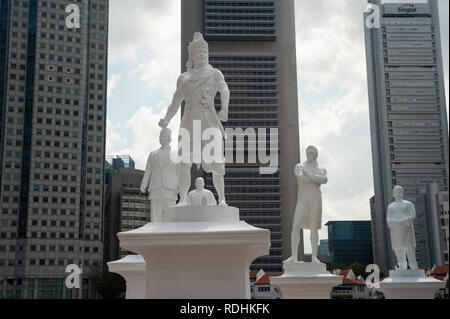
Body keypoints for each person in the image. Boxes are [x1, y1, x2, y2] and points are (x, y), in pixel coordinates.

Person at [158, 32, 230, 207]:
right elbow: (175, 102)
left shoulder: (215, 74)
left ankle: (221, 199)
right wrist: (167, 119)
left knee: (217, 164)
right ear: (192, 55)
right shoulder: (184, 78)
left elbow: (225, 90)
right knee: (185, 162)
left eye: (204, 52)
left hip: (209, 120)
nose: (202, 55)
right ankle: (182, 198)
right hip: (189, 120)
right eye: (198, 52)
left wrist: (224, 107)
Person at [286, 146, 328, 264]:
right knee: (295, 226)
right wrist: (315, 179)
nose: (309, 154)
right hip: (303, 200)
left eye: (312, 153)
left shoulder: (322, 169)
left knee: (314, 228)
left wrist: (308, 174)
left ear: (316, 154)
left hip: (315, 200)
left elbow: (323, 180)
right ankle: (294, 256)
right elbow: (301, 180)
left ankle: (314, 257)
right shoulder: (299, 166)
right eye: (307, 152)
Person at [141, 128, 179, 222]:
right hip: (155, 189)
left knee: (170, 218)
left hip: (170, 189)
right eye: (160, 136)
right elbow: (148, 170)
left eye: (164, 136)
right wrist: (144, 183)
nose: (161, 138)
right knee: (155, 217)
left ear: (170, 138)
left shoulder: (176, 154)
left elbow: (179, 172)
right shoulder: (153, 154)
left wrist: (179, 186)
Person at [387, 185, 419, 270]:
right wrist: (395, 222)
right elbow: (388, 219)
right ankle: (401, 266)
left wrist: (404, 220)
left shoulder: (408, 204)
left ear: (403, 192)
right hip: (396, 230)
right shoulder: (390, 206)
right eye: (396, 191)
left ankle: (413, 266)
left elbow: (413, 215)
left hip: (407, 229)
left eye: (400, 190)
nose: (398, 192)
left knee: (410, 248)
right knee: (398, 248)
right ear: (393, 193)